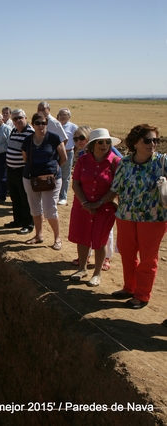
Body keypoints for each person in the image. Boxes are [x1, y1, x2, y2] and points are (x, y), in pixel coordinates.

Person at [104, 124, 167, 309]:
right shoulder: (124, 163)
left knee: (148, 258)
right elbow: (115, 188)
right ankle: (129, 287)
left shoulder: (162, 162)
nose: (153, 144)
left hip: (154, 219)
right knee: (127, 254)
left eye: (156, 140)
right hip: (126, 216)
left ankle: (142, 295)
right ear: (135, 143)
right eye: (147, 140)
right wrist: (97, 203)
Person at [68, 129, 121, 287]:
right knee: (82, 237)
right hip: (82, 206)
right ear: (92, 145)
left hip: (103, 208)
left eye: (107, 142)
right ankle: (82, 268)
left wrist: (98, 203)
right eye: (100, 142)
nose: (105, 145)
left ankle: (97, 273)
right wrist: (85, 203)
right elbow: (76, 183)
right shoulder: (83, 160)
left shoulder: (115, 162)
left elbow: (115, 188)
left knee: (100, 240)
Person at [21, 113, 67, 250]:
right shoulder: (28, 140)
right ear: (33, 125)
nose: (41, 126)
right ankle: (38, 235)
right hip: (31, 178)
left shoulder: (54, 138)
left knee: (49, 209)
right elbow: (25, 158)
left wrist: (54, 169)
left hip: (51, 179)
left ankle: (57, 238)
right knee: (35, 207)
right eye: (38, 123)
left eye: (44, 123)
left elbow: (63, 157)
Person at [5, 109, 35, 234]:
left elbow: (31, 154)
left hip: (23, 170)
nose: (17, 121)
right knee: (15, 197)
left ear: (25, 118)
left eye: (20, 118)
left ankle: (28, 224)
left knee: (25, 198)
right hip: (11, 170)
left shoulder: (30, 133)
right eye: (15, 119)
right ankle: (17, 220)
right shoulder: (14, 131)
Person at [57, 108, 79, 205]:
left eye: (64, 114)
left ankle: (63, 196)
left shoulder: (73, 127)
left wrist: (72, 152)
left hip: (68, 153)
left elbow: (77, 143)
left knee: (65, 176)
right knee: (56, 175)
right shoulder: (56, 125)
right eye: (60, 114)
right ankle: (55, 195)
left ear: (69, 116)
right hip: (56, 153)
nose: (62, 116)